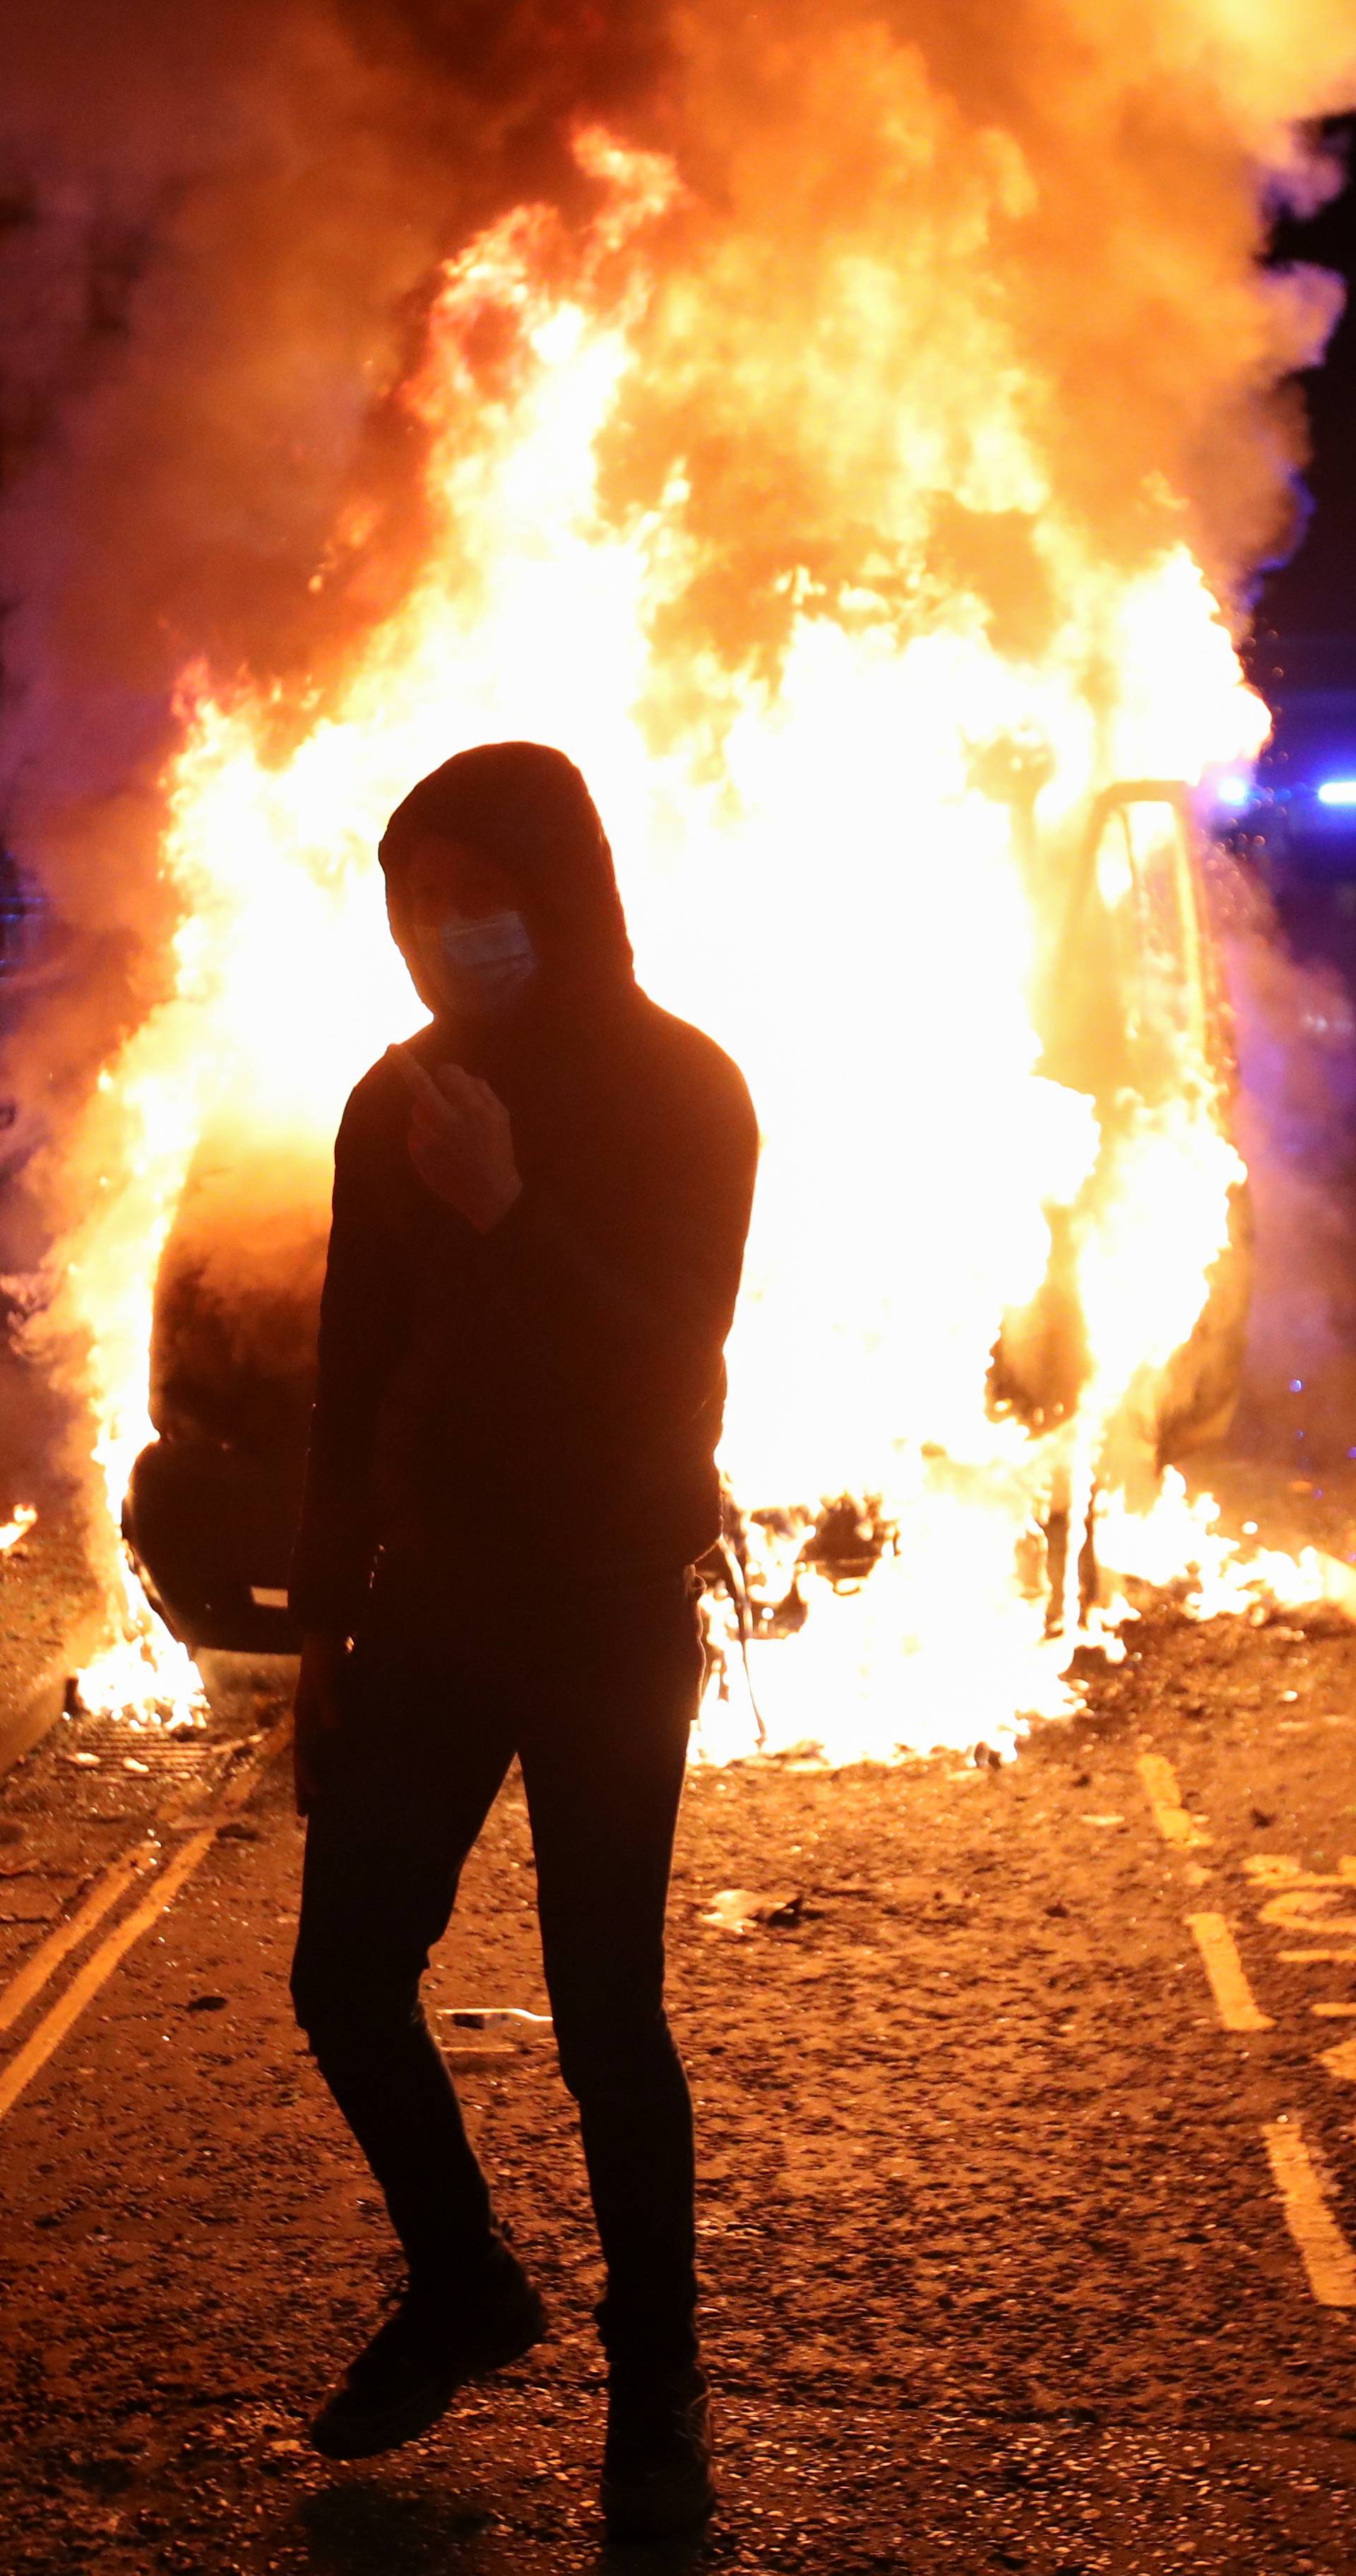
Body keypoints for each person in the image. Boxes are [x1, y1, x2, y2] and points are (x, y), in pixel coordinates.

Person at [287, 741, 758, 2541]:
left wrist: (509, 1211)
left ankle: (661, 2399)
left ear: (557, 897)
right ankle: (468, 2278)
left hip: (612, 1608)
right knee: (344, 1973)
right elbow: (352, 1371)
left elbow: (675, 1365)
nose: (438, 941)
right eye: (411, 907)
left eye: (474, 902)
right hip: (439, 1602)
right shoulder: (392, 1101)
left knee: (607, 2021)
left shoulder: (685, 1093)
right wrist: (326, 1622)